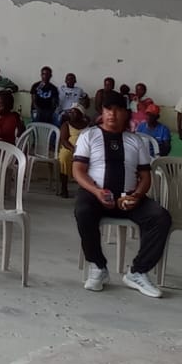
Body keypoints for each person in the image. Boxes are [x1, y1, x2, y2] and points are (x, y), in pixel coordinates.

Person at [72, 92, 172, 298]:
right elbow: (78, 170)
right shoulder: (89, 135)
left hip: (129, 198)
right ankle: (98, 266)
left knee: (161, 217)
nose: (112, 114)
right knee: (82, 210)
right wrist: (96, 191)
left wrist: (136, 196)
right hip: (96, 195)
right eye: (108, 109)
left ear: (126, 113)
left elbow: (145, 177)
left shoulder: (136, 141)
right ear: (102, 112)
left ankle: (138, 272)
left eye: (117, 110)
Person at [56, 107, 88, 197]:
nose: (71, 114)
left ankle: (86, 188)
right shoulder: (66, 125)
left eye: (74, 112)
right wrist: (72, 149)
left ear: (81, 114)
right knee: (64, 157)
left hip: (85, 150)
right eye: (70, 112)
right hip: (70, 149)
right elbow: (64, 140)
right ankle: (64, 188)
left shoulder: (87, 125)